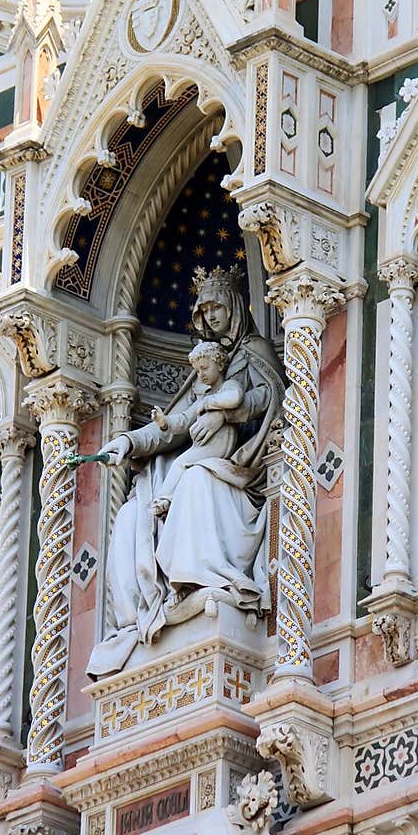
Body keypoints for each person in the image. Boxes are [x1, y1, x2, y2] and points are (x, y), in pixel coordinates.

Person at [87, 267, 285, 676]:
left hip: (241, 464)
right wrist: (127, 442)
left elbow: (273, 395)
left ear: (234, 306)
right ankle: (145, 612)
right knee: (128, 516)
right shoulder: (203, 372)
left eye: (218, 307)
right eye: (205, 310)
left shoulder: (254, 353)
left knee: (194, 480)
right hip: (204, 458)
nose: (212, 317)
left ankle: (200, 581)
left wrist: (229, 412)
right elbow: (171, 426)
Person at [149, 340, 245, 518]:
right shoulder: (203, 397)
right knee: (179, 463)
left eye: (205, 368)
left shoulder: (229, 386)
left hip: (219, 443)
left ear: (220, 364)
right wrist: (164, 422)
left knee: (180, 463)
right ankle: (166, 499)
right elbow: (184, 420)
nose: (201, 375)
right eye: (198, 370)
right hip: (201, 445)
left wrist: (209, 403)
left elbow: (235, 398)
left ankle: (164, 499)